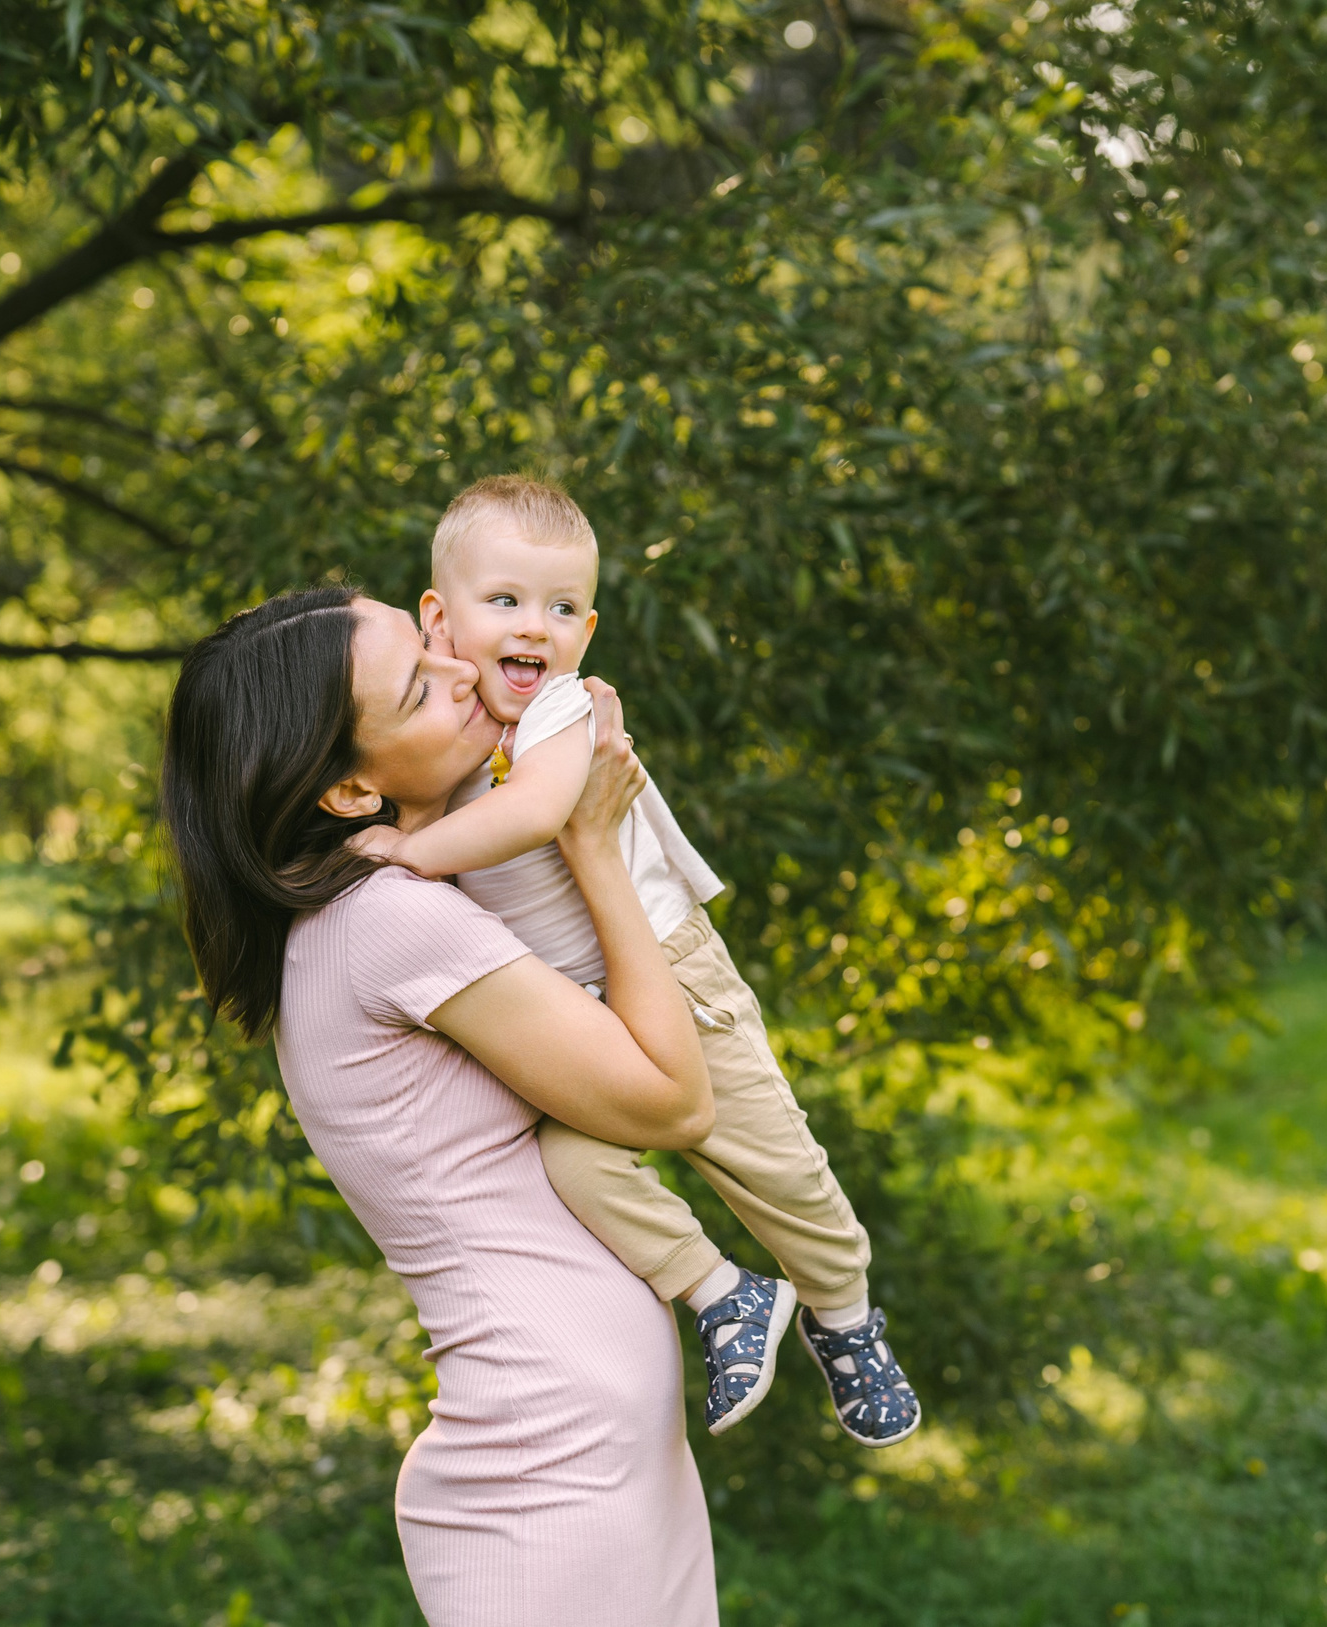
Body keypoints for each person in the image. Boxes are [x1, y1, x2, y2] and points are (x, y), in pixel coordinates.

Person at [161, 585, 720, 1625]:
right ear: (346, 790)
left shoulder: (377, 906)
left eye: (429, 645)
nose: (466, 669)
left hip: (584, 1449)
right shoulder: (390, 922)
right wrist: (592, 840)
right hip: (548, 1473)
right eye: (422, 686)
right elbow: (673, 1102)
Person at [356, 475, 921, 1448]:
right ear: (437, 616)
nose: (537, 626)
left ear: (588, 628)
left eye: (564, 608)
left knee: (771, 1161)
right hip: (580, 1009)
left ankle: (846, 1316)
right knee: (573, 1163)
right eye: (506, 602)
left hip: (670, 968)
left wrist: (406, 853)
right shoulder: (451, 733)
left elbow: (537, 813)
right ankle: (721, 1291)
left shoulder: (563, 714)